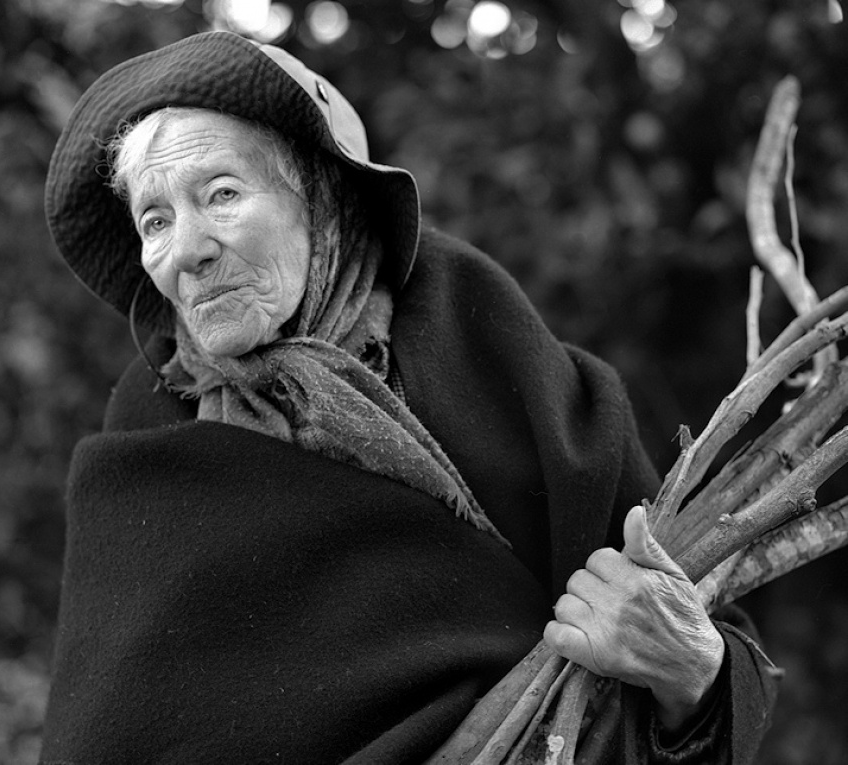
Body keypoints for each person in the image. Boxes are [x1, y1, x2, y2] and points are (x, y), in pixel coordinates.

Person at [40, 31, 777, 764]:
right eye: (155, 221)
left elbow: (697, 641)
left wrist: (694, 673)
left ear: (321, 199)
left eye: (222, 195)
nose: (186, 250)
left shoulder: (482, 339)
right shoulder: (152, 421)